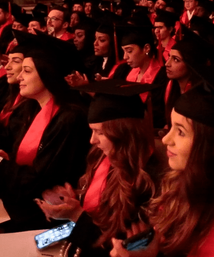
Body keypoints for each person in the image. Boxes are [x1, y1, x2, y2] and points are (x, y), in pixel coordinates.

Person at [109, 83, 214, 257]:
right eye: (171, 127)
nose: (166, 140)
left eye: (181, 132)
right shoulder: (176, 184)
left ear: (209, 145)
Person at [0, 32, 90, 231]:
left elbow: (41, 181)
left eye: (26, 71)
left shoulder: (70, 118)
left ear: (48, 73)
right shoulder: (33, 108)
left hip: (45, 214)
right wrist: (1, 157)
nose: (19, 76)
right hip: (17, 196)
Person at [37, 80, 165, 256]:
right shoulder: (99, 158)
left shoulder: (147, 180)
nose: (92, 140)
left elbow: (117, 248)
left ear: (123, 133)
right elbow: (91, 219)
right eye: (92, 130)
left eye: (101, 132)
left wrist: (76, 214)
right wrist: (67, 209)